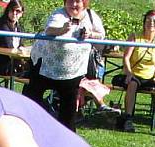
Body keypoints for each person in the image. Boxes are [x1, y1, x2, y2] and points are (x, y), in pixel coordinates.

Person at [21, 0, 105, 131]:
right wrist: (62, 30)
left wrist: (90, 34)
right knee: (31, 98)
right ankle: (26, 126)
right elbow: (49, 30)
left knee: (68, 114)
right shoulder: (59, 14)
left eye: (77, 1)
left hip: (73, 71)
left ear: (84, 3)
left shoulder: (91, 16)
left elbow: (101, 35)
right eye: (70, 1)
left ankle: (66, 140)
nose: (74, 5)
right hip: (46, 67)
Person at [113, 10, 155, 133]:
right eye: (148, 20)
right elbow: (126, 57)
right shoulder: (135, 37)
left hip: (149, 77)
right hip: (133, 74)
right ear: (144, 22)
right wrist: (129, 73)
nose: (151, 23)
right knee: (133, 83)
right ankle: (128, 118)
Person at [0, 0, 27, 77]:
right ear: (8, 11)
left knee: (33, 70)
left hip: (13, 63)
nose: (15, 13)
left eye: (18, 11)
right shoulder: (2, 25)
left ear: (22, 13)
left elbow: (20, 45)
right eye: (12, 10)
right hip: (0, 66)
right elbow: (9, 46)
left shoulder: (17, 27)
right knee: (30, 73)